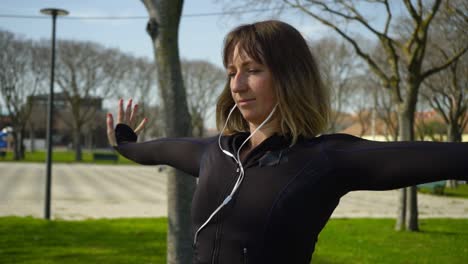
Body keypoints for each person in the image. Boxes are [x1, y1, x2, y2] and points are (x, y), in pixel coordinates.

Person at [106, 20, 468, 264]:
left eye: (253, 70)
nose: (237, 85)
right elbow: (160, 149)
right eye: (232, 72)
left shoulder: (323, 159)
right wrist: (126, 143)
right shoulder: (215, 151)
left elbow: (441, 157)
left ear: (289, 77)